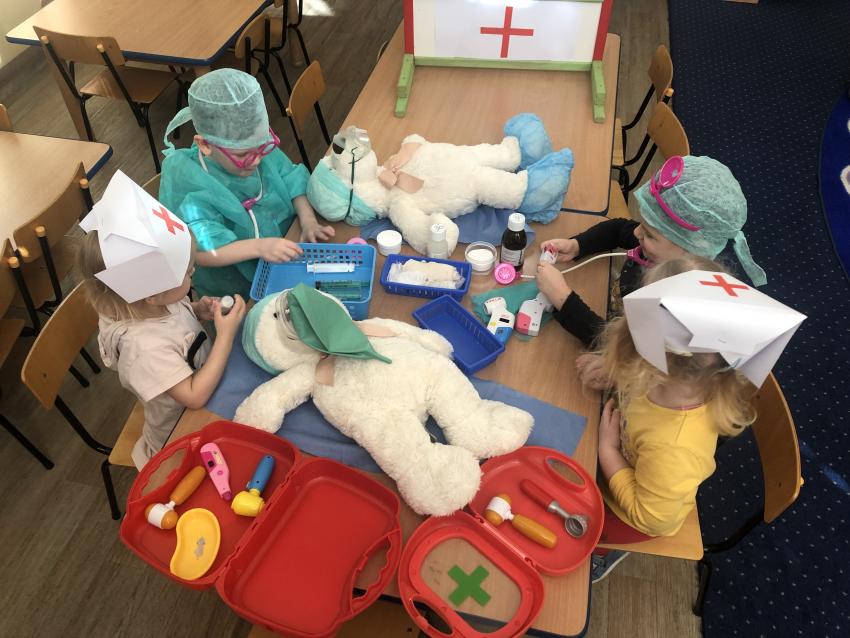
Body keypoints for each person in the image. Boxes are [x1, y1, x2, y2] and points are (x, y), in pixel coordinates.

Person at [586, 256, 804, 583]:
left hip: (635, 510)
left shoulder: (676, 448)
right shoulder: (676, 378)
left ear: (638, 352)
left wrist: (608, 453)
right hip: (633, 460)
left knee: (573, 525)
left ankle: (601, 556)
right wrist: (614, 375)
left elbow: (651, 519)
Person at [78, 172, 247, 469]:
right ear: (153, 296)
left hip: (208, 387)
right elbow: (194, 397)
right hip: (181, 435)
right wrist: (225, 336)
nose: (193, 272)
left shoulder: (144, 299)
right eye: (187, 272)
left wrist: (196, 310)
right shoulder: (145, 349)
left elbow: (173, 316)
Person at [535, 155, 767, 348]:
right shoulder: (661, 249)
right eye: (643, 225)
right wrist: (577, 246)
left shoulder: (677, 313)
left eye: (649, 234)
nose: (637, 233)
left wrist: (563, 299)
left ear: (690, 253)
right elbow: (618, 230)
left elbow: (624, 350)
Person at [158, 68, 334, 300]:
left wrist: (308, 221)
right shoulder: (189, 181)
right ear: (205, 145)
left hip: (283, 252)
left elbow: (291, 177)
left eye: (261, 147)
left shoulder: (252, 147)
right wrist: (260, 247)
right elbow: (201, 251)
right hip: (235, 291)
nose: (257, 160)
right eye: (242, 155)